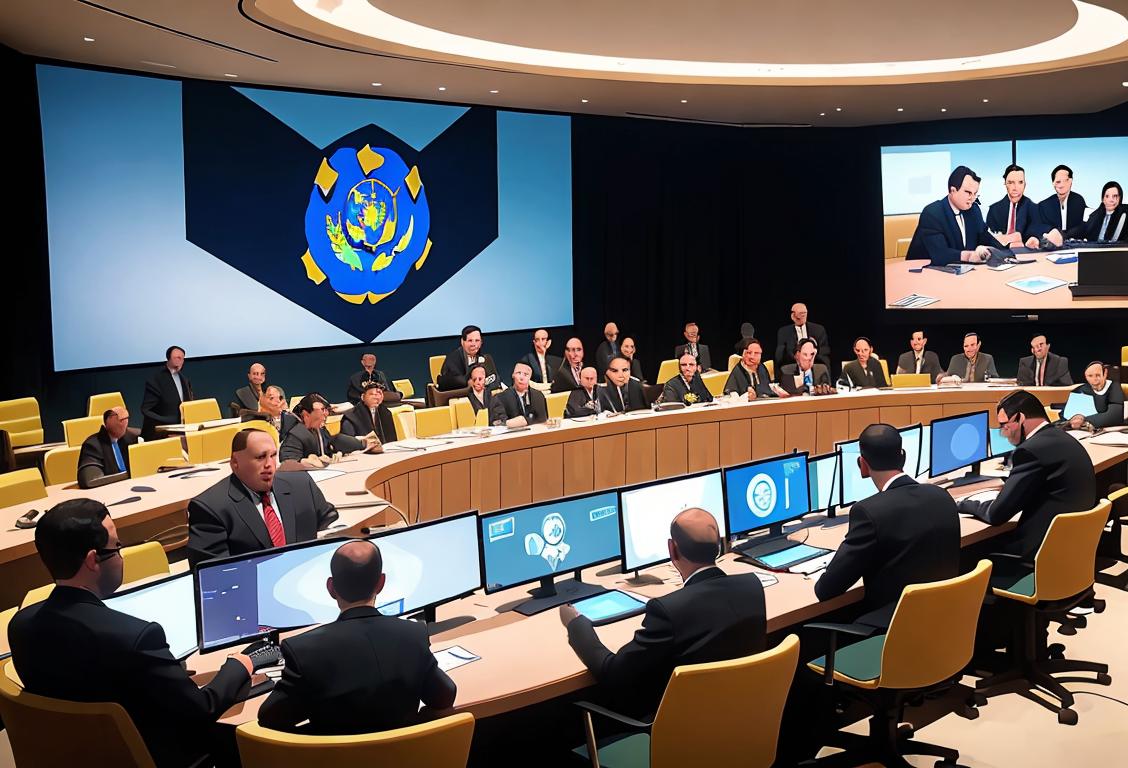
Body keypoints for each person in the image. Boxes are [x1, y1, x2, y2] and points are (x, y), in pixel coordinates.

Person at [9, 499, 253, 767]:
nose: (120, 556)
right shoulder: (135, 637)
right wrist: (239, 665)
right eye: (117, 547)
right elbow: (200, 709)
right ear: (93, 560)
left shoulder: (21, 626)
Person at [559, 507, 766, 717]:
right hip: (741, 718)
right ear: (720, 545)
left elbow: (613, 674)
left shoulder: (669, 610)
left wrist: (576, 624)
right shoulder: (752, 587)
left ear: (672, 549)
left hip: (681, 734)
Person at [258, 540, 456, 734]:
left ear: (331, 588)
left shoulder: (303, 650)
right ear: (381, 583)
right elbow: (445, 696)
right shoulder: (412, 634)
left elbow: (270, 719)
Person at [815, 424, 960, 628]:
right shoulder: (941, 496)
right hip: (941, 621)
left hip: (894, 630)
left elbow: (827, 589)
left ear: (862, 464)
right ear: (903, 457)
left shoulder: (868, 512)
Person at [957, 390, 1095, 558]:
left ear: (1020, 418)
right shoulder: (1062, 438)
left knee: (962, 554)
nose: (1003, 433)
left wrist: (964, 504)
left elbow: (996, 514)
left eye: (1004, 425)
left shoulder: (1030, 451)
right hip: (1068, 549)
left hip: (1037, 553)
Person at [188, 429, 339, 566]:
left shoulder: (301, 485)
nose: (269, 464)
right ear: (235, 462)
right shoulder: (211, 508)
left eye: (273, 456)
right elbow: (212, 575)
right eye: (260, 457)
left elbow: (332, 524)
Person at [905, 165, 1001, 266]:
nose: (972, 198)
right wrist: (969, 256)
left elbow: (985, 236)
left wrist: (1007, 252)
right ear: (953, 190)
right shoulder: (932, 213)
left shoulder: (974, 210)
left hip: (962, 271)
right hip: (926, 272)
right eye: (968, 193)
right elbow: (940, 254)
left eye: (975, 193)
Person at [280, 394, 380, 462]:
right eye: (322, 410)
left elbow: (332, 444)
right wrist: (304, 463)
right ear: (306, 415)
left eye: (327, 410)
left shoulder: (321, 430)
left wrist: (364, 444)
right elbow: (287, 462)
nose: (326, 414)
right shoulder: (296, 435)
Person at [985, 164, 1047, 248]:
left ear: (1025, 185)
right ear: (1005, 184)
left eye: (1020, 182)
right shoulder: (994, 210)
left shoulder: (1033, 208)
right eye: (1011, 182)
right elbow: (989, 239)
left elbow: (1038, 231)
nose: (1016, 188)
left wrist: (1035, 239)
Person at [140, 345, 193, 439]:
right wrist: (167, 424)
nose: (179, 360)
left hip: (182, 431)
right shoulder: (156, 379)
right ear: (169, 358)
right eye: (177, 357)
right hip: (161, 434)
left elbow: (190, 404)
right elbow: (146, 410)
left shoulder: (184, 380)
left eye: (182, 358)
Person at [77, 406, 138, 488]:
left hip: (134, 485)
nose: (124, 422)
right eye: (120, 419)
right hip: (108, 491)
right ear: (107, 421)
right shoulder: (92, 445)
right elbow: (91, 480)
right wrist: (131, 473)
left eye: (126, 418)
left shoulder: (134, 436)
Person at [437, 325, 499, 391]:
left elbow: (495, 379)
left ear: (481, 343)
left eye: (477, 340)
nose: (474, 344)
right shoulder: (454, 359)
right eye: (470, 340)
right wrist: (469, 382)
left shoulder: (485, 358)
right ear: (462, 342)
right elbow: (450, 382)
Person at [1067, 361, 1125, 429]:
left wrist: (1084, 420)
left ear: (1105, 374)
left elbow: (1115, 415)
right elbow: (1065, 414)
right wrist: (1074, 418)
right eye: (1090, 376)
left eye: (1097, 375)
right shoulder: (1081, 390)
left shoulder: (1114, 387)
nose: (1094, 380)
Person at [774, 303, 831, 371]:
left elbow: (824, 352)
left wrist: (809, 359)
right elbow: (780, 356)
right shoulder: (784, 332)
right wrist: (799, 360)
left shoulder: (818, 330)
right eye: (799, 314)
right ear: (792, 316)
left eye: (804, 313)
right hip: (794, 366)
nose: (802, 316)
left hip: (814, 364)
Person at [490, 362, 548, 426]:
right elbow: (498, 423)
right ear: (513, 375)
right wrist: (510, 423)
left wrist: (525, 421)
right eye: (519, 373)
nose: (521, 378)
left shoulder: (538, 396)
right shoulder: (500, 398)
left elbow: (542, 420)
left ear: (530, 378)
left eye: (526, 374)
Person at [1037, 164, 1087, 235]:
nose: (1061, 185)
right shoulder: (1044, 205)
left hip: (1074, 241)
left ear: (1070, 181)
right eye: (1058, 182)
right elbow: (1040, 226)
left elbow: (1083, 225)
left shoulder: (1079, 200)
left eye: (1065, 181)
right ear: (1053, 183)